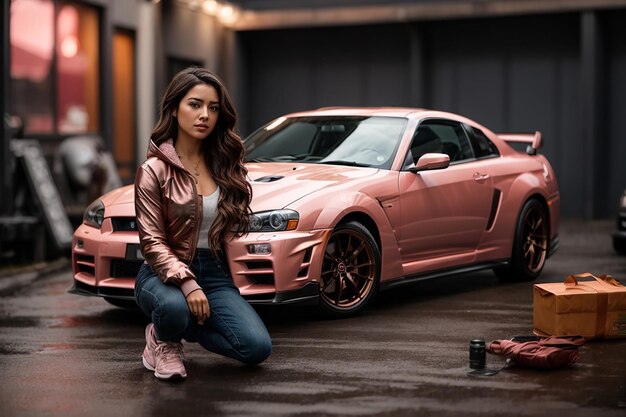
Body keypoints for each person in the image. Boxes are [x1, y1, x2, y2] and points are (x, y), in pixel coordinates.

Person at [134, 67, 272, 381]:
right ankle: (164, 340)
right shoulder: (153, 170)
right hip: (161, 273)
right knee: (174, 308)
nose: (204, 115)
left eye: (212, 108)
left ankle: (182, 329)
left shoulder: (223, 163)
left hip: (214, 271)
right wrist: (187, 283)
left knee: (256, 348)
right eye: (195, 105)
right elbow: (152, 241)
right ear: (174, 109)